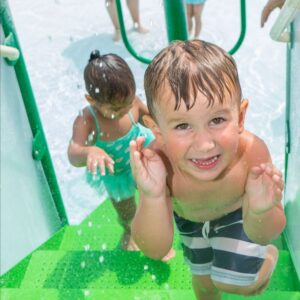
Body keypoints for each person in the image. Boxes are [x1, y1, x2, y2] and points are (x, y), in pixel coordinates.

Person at [130, 40, 286, 299]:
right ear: (157, 129)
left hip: (239, 215)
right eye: (182, 126)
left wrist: (261, 209)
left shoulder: (251, 154)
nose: (204, 144)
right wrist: (153, 195)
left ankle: (267, 260)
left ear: (240, 117)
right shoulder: (159, 164)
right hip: (191, 221)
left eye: (217, 120)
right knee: (204, 284)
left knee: (239, 284)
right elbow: (154, 250)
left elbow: (267, 231)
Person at [68, 50, 175, 260]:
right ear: (92, 100)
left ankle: (158, 238)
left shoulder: (131, 102)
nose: (125, 109)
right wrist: (90, 150)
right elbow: (73, 153)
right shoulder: (87, 120)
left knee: (158, 197)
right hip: (116, 173)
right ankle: (130, 231)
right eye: (116, 109)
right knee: (127, 212)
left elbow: (149, 117)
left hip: (142, 158)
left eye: (128, 103)